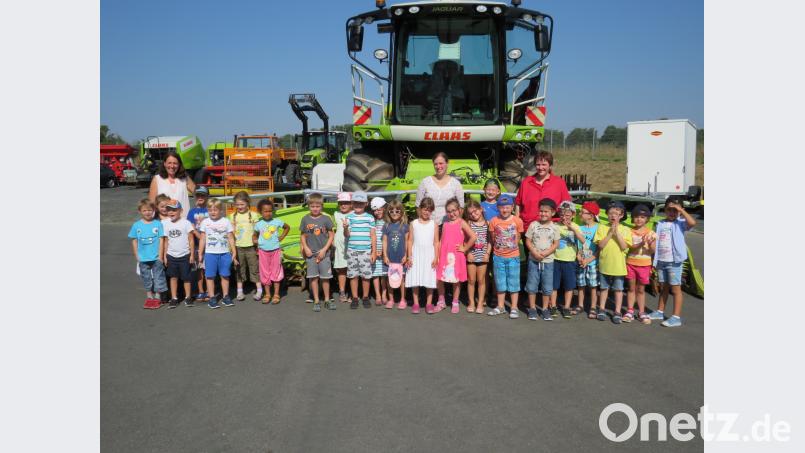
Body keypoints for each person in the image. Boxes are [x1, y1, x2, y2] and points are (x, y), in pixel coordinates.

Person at [649, 196, 697, 327]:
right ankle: (660, 311)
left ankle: (676, 317)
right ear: (664, 209)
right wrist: (653, 259)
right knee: (664, 287)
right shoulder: (659, 224)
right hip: (661, 261)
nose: (672, 212)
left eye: (675, 210)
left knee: (676, 289)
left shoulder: (681, 223)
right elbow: (654, 242)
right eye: (669, 209)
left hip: (674, 262)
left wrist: (681, 210)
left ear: (680, 211)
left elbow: (692, 223)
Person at [593, 201, 632, 324]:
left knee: (619, 289)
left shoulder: (625, 229)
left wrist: (617, 233)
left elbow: (624, 246)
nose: (613, 216)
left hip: (619, 266)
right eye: (610, 213)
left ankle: (617, 311)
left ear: (621, 215)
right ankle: (602, 309)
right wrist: (610, 233)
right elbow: (600, 245)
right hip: (604, 264)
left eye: (616, 213)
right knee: (603, 288)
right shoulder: (602, 227)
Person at [435, 197, 476, 314]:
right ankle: (441, 300)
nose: (451, 213)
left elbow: (473, 237)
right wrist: (438, 255)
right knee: (439, 278)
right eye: (448, 211)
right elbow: (442, 241)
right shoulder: (445, 224)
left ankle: (455, 301)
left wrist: (465, 248)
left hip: (457, 256)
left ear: (459, 210)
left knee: (456, 280)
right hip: (444, 255)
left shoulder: (462, 223)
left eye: (454, 210)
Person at [514, 150, 571, 231]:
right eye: (538, 165)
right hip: (528, 227)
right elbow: (518, 204)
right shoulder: (526, 182)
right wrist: (517, 224)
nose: (540, 168)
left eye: (544, 164)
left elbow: (566, 205)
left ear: (550, 165)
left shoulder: (559, 183)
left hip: (551, 228)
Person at [487, 194, 524, 318]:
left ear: (512, 207)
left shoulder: (517, 221)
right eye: (502, 207)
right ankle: (501, 306)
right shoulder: (493, 221)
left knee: (514, 283)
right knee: (500, 282)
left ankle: (514, 307)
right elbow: (493, 239)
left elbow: (518, 238)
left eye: (507, 207)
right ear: (498, 207)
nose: (505, 210)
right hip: (498, 257)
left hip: (513, 257)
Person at [524, 198, 560, 321]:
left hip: (548, 261)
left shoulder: (554, 227)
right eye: (541, 211)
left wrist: (545, 253)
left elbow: (556, 243)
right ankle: (532, 308)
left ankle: (545, 309)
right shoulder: (533, 225)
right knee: (532, 285)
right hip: (534, 261)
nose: (543, 214)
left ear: (553, 213)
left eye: (546, 211)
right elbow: (528, 240)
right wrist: (534, 252)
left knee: (547, 286)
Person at [199, 198, 238, 309]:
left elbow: (231, 238)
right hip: (210, 254)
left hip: (225, 253)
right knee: (210, 276)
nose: (213, 212)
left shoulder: (226, 221)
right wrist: (200, 253)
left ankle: (226, 296)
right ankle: (212, 298)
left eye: (215, 210)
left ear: (221, 210)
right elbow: (202, 239)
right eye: (210, 210)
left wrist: (233, 251)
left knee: (225, 275)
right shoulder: (205, 222)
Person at [129, 198, 167, 309]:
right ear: (140, 211)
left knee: (158, 277)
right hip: (143, 258)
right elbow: (134, 241)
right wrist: (137, 256)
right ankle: (149, 296)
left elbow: (161, 240)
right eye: (145, 210)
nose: (147, 212)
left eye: (150, 210)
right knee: (146, 277)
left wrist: (160, 256)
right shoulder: (136, 225)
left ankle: (158, 296)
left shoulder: (158, 224)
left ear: (154, 210)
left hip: (156, 257)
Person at [300, 193, 335, 312]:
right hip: (311, 254)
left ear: (322, 206)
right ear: (309, 206)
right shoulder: (305, 219)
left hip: (324, 254)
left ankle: (326, 299)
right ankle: (316, 300)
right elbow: (303, 236)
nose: (315, 208)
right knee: (313, 278)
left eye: (317, 206)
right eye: (312, 206)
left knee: (325, 278)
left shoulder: (326, 219)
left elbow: (331, 235)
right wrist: (306, 248)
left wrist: (324, 250)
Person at [405, 197, 439, 314]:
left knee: (429, 279)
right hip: (416, 254)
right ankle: (416, 303)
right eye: (425, 209)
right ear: (419, 209)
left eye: (429, 210)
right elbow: (410, 241)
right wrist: (409, 256)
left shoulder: (434, 224)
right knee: (415, 278)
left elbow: (436, 242)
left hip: (429, 254)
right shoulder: (413, 223)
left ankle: (429, 304)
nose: (426, 212)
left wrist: (436, 257)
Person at [553, 201, 587, 319]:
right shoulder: (555, 226)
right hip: (555, 259)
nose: (564, 217)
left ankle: (566, 307)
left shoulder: (576, 226)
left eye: (567, 215)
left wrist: (572, 228)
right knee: (554, 285)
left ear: (573, 215)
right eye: (562, 214)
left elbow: (583, 241)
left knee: (569, 286)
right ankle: (553, 306)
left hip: (570, 261)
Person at [624, 204, 656, 324]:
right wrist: (641, 243)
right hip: (631, 263)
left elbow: (653, 251)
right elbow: (630, 248)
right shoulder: (629, 231)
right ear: (632, 218)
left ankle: (641, 312)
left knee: (641, 289)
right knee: (631, 288)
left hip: (645, 264)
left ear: (647, 219)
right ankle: (630, 311)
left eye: (642, 217)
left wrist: (651, 243)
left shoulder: (651, 232)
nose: (639, 219)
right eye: (636, 216)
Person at [253, 199, 290, 304]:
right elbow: (254, 235)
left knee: (276, 272)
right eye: (265, 211)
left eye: (270, 211)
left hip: (275, 251)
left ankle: (276, 294)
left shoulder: (277, 221)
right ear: (261, 212)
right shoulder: (259, 224)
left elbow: (287, 227)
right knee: (265, 273)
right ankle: (267, 294)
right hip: (263, 252)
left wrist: (282, 236)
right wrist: (255, 241)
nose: (268, 213)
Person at [344, 191, 376, 309]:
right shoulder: (349, 217)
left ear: (366, 203)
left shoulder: (370, 217)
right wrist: (346, 228)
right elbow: (347, 235)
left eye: (361, 203)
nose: (358, 205)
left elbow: (373, 235)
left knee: (366, 276)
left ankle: (366, 297)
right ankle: (355, 297)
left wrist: (373, 251)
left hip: (366, 251)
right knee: (353, 275)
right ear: (352, 203)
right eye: (356, 203)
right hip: (352, 251)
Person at [161, 199, 195, 308]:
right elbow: (166, 241)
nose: (171, 212)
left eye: (174, 210)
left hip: (185, 255)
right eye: (169, 210)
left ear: (181, 210)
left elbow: (191, 240)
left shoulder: (186, 223)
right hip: (171, 256)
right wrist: (165, 256)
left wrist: (192, 254)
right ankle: (174, 298)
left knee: (186, 278)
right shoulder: (165, 224)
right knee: (173, 277)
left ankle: (188, 297)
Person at [228, 191, 262, 301]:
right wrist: (231, 249)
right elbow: (230, 234)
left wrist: (258, 245)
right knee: (239, 269)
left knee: (254, 268)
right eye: (237, 204)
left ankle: (259, 290)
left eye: (242, 204)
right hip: (238, 247)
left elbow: (258, 231)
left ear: (247, 203)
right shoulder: (232, 216)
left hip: (251, 246)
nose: (239, 207)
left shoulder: (254, 215)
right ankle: (240, 291)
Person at [415, 152, 465, 225]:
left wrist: (456, 224)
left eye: (441, 163)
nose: (438, 166)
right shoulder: (425, 182)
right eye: (436, 164)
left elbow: (461, 207)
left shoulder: (456, 183)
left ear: (447, 163)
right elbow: (418, 205)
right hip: (429, 225)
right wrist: (423, 224)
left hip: (449, 225)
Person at [464, 200, 490, 314]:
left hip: (483, 256)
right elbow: (465, 239)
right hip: (472, 256)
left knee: (481, 280)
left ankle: (480, 302)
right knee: (471, 280)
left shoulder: (488, 224)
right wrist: (468, 252)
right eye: (470, 213)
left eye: (475, 211)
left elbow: (490, 241)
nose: (473, 215)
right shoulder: (469, 223)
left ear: (481, 209)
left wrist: (487, 253)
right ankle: (471, 302)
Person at [576, 201, 601, 320]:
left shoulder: (598, 228)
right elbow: (579, 246)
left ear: (591, 215)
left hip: (593, 262)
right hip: (581, 261)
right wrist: (579, 256)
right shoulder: (579, 228)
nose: (580, 213)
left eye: (582, 212)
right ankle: (580, 305)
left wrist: (590, 259)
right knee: (581, 284)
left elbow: (599, 249)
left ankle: (592, 306)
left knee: (593, 285)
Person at [382, 199, 409, 310]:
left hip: (401, 257)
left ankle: (403, 299)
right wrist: (385, 255)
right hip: (390, 257)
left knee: (402, 279)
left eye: (397, 211)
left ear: (402, 212)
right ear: (388, 213)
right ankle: (391, 299)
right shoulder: (386, 226)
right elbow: (384, 241)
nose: (394, 213)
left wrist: (406, 255)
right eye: (391, 211)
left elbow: (407, 241)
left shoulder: (405, 226)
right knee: (390, 279)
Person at [187, 186, 210, 300]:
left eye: (203, 195)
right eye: (198, 195)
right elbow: (191, 227)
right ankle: (201, 291)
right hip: (197, 244)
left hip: (210, 245)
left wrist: (205, 239)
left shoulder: (210, 210)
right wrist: (200, 237)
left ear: (207, 197)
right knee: (199, 269)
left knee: (209, 269)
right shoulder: (192, 212)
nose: (200, 197)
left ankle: (209, 290)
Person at [333, 192, 352, 303]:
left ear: (351, 204)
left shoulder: (354, 214)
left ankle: (352, 292)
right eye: (341, 203)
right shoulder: (336, 214)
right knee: (342, 270)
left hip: (352, 246)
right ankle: (342, 291)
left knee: (353, 271)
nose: (343, 205)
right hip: (340, 247)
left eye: (346, 203)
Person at [370, 197, 389, 306]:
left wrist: (383, 251)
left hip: (385, 252)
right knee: (376, 274)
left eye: (379, 209)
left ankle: (384, 294)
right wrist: (374, 251)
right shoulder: (372, 222)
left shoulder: (387, 222)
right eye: (375, 210)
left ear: (384, 208)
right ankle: (377, 295)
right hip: (375, 252)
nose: (377, 212)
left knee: (384, 275)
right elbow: (371, 237)